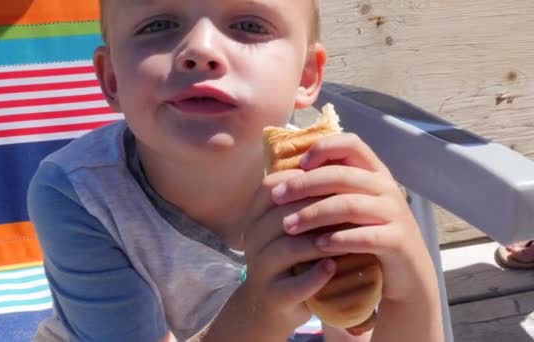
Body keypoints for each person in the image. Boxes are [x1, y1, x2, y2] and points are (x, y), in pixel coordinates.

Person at [27, 0, 443, 341]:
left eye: (249, 24)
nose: (201, 50)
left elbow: (353, 335)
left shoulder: (325, 182)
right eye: (157, 24)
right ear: (111, 79)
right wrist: (260, 312)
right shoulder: (77, 195)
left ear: (306, 75)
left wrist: (412, 283)